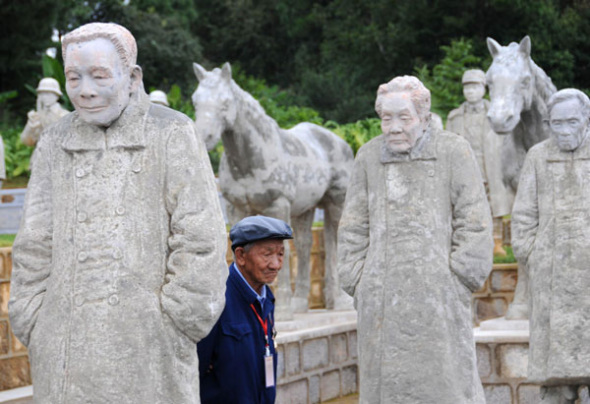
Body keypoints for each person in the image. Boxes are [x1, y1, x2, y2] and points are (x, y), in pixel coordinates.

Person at [8, 22, 228, 403]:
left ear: (132, 77)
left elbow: (201, 239)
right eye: (73, 77)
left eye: (99, 75)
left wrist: (178, 320)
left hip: (149, 349)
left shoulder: (172, 133)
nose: (85, 90)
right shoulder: (54, 141)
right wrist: (33, 319)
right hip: (64, 352)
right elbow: (34, 244)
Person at [338, 76, 493, 403]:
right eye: (386, 118)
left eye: (403, 118)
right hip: (380, 299)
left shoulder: (453, 150)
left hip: (440, 295)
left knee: (448, 384)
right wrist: (358, 281)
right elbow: (352, 226)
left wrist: (460, 278)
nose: (394, 127)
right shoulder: (367, 158)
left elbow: (474, 219)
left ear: (423, 117)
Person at [511, 88, 590, 404]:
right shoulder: (538, 156)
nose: (564, 130)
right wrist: (531, 253)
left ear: (586, 119)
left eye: (572, 121)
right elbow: (523, 215)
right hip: (551, 273)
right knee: (555, 356)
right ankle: (558, 392)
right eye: (556, 123)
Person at [197, 215, 292, 404]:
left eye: (280, 254)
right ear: (240, 256)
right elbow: (195, 370)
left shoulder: (266, 298)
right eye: (267, 255)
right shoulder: (216, 299)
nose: (276, 264)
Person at [447, 69, 512, 256]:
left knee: (495, 205)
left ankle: (497, 241)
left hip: (491, 166)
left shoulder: (497, 114)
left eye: (475, 87)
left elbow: (508, 142)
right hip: (465, 168)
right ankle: (469, 243)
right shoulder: (454, 117)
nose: (470, 91)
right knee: (466, 207)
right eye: (467, 87)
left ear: (484, 89)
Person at [20, 77, 69, 147]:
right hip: (40, 154)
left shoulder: (65, 115)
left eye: (49, 93)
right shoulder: (36, 116)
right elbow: (25, 141)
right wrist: (30, 127)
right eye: (42, 94)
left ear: (57, 96)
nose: (45, 97)